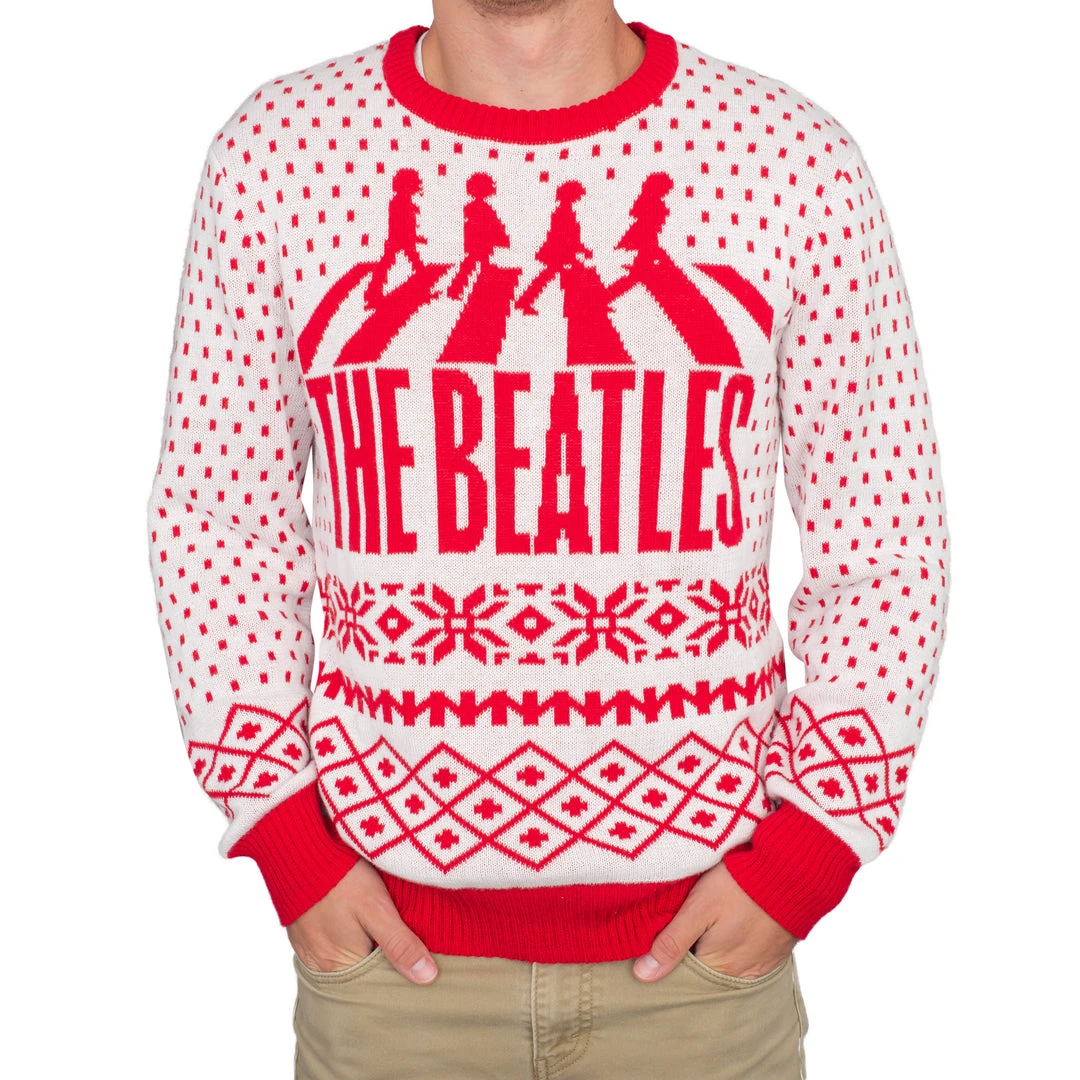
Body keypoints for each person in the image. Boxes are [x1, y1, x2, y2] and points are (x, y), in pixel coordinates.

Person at [145, 1, 951, 1076]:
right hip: (390, 979)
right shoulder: (277, 155)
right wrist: (286, 841)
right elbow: (216, 523)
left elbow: (887, 545)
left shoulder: (791, 161)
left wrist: (805, 858)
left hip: (700, 980)